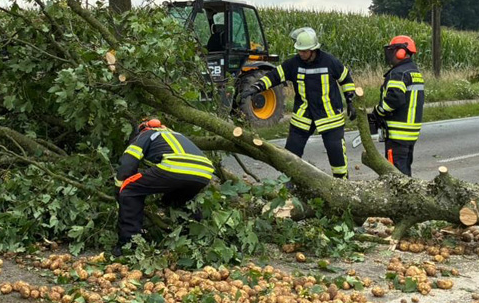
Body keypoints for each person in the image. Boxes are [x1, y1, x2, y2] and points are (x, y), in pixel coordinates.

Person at [242, 27, 356, 179]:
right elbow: (275, 75)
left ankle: (342, 184)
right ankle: (289, 184)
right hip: (304, 114)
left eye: (304, 51)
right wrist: (258, 86)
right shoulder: (293, 63)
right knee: (291, 153)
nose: (301, 54)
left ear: (313, 49)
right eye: (299, 51)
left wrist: (350, 100)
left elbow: (345, 78)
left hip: (329, 116)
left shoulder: (330, 62)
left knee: (336, 152)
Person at [114, 119, 214, 255]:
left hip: (175, 166)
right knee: (175, 200)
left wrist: (118, 190)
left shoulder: (144, 135)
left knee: (130, 189)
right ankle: (193, 237)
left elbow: (128, 165)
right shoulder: (176, 135)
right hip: (204, 172)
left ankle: (128, 245)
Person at [373, 35, 425, 176]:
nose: (390, 55)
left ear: (401, 52)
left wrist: (378, 112)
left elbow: (394, 99)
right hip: (410, 132)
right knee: (404, 170)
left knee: (395, 174)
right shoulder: (414, 72)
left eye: (392, 50)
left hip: (398, 132)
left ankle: (401, 198)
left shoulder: (398, 74)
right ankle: (408, 196)